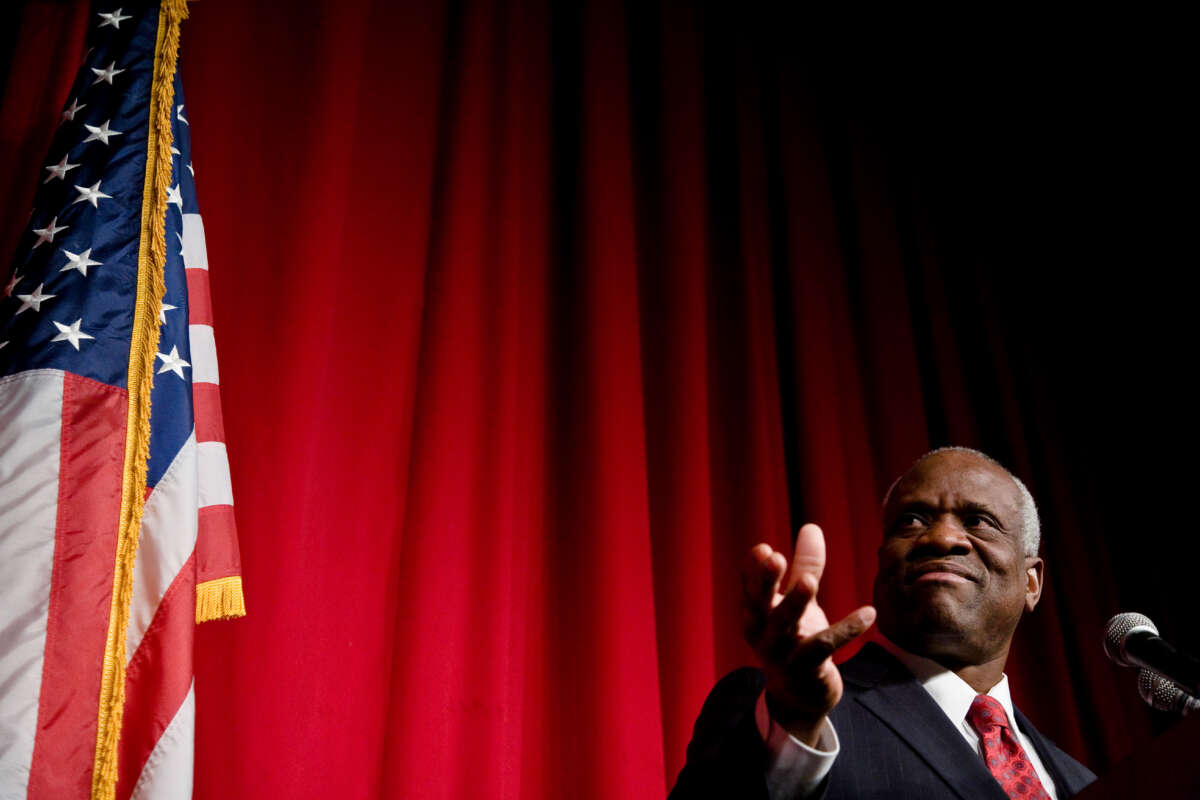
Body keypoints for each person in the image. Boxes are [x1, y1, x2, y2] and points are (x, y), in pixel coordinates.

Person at [669, 447, 1097, 799]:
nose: (941, 539)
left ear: (1032, 582)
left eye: (978, 522)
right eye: (912, 521)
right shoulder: (783, 712)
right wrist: (793, 722)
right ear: (882, 562)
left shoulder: (1082, 783)